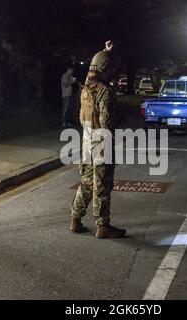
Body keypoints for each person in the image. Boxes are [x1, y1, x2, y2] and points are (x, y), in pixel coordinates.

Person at [70, 40, 126, 239]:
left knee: (86, 182)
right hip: (101, 142)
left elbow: (96, 66)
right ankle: (103, 225)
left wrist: (104, 52)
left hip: (86, 140)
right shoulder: (105, 92)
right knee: (102, 184)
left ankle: (75, 218)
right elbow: (106, 122)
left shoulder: (87, 87)